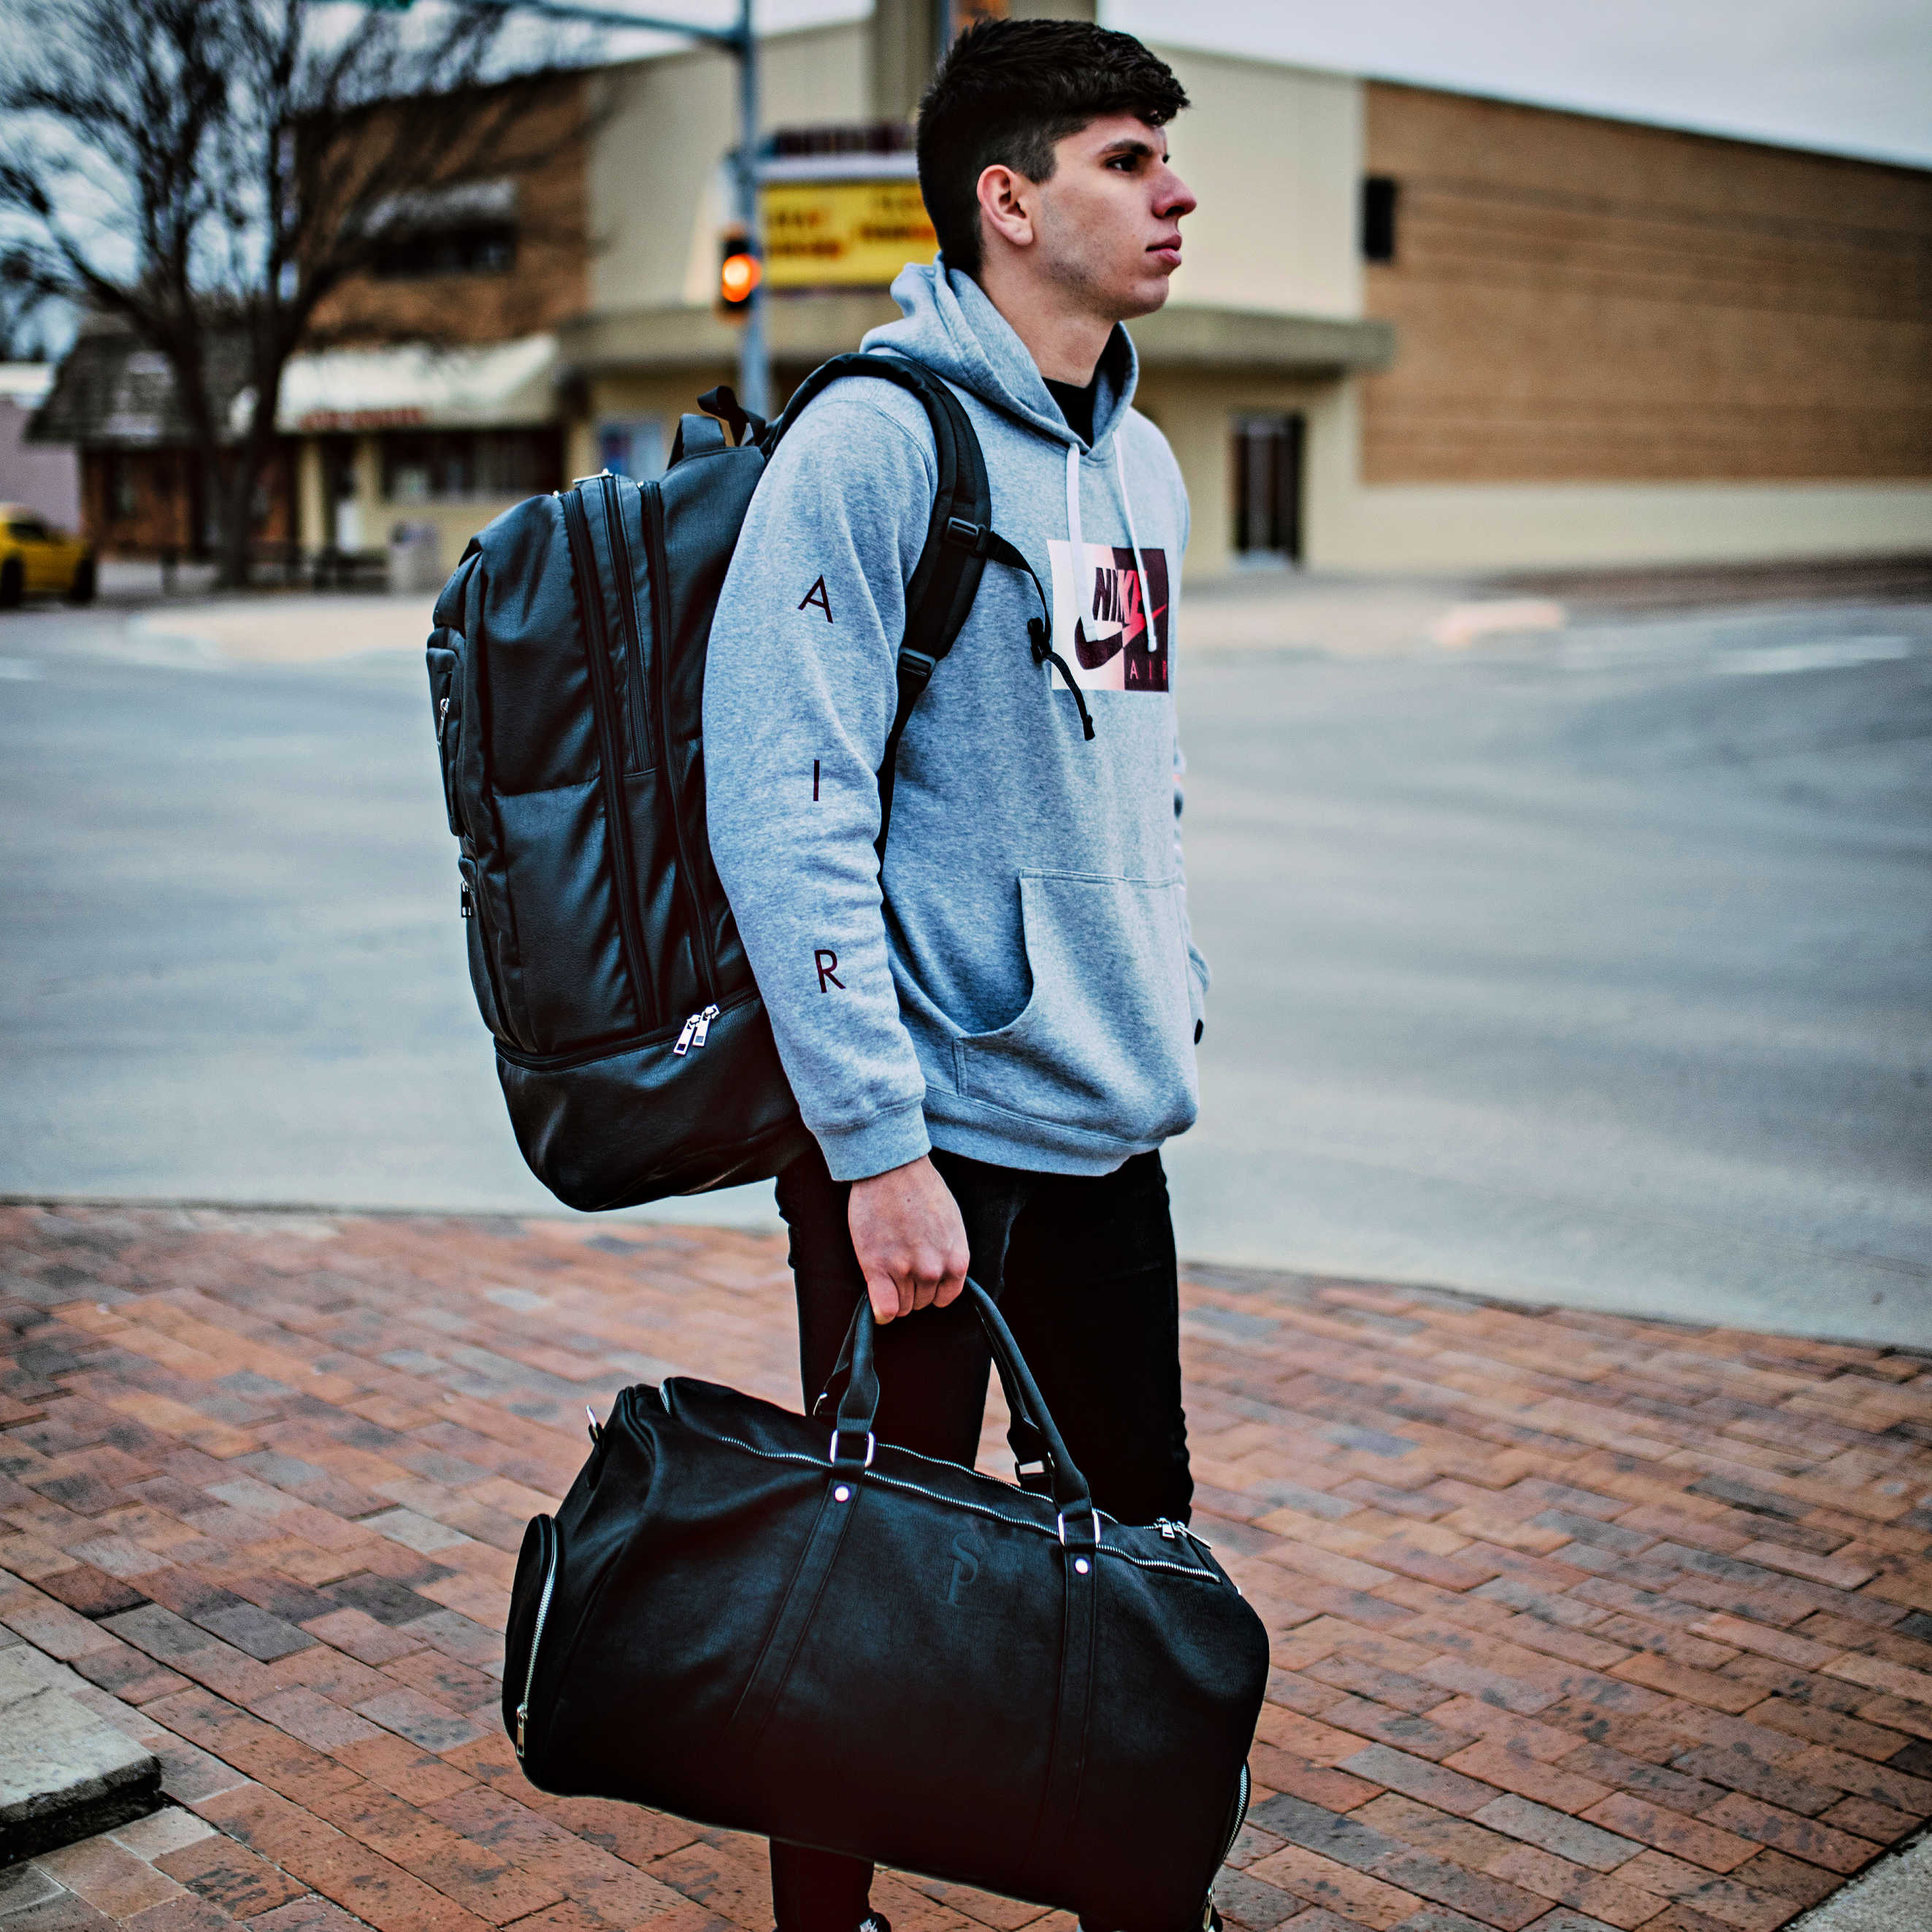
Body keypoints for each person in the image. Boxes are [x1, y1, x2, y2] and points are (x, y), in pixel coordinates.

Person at [703, 18, 1208, 1932]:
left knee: (1136, 1558)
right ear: (1008, 202)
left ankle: (1140, 1898)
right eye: (1123, 158)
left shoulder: (1145, 468)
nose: (1172, 190)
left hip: (1108, 1125)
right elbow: (786, 805)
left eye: (1167, 154)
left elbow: (1142, 778)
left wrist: (1174, 990)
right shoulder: (872, 443)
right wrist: (874, 1144)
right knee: (874, 1583)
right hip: (920, 1151)